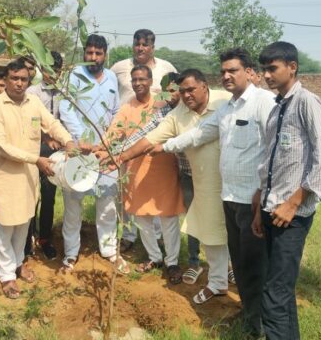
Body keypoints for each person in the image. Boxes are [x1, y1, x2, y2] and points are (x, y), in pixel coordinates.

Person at [157, 48, 274, 337]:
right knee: (234, 253)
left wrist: (266, 190)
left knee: (254, 263)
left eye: (233, 70)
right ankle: (248, 315)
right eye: (223, 71)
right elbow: (198, 134)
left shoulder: (265, 103)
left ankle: (262, 322)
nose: (227, 76)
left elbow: (277, 150)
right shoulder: (228, 108)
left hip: (254, 199)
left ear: (250, 72)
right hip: (229, 196)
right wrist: (161, 146)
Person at [250, 42, 321, 340]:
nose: (267, 75)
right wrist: (261, 205)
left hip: (293, 215)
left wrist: (292, 203)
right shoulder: (277, 109)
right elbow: (269, 162)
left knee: (273, 295)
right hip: (273, 209)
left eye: (273, 68)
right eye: (265, 69)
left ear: (292, 67)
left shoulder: (307, 103)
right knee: (280, 289)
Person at [116, 68, 232, 303]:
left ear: (205, 86)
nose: (186, 95)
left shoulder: (225, 101)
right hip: (202, 181)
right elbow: (151, 136)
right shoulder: (178, 113)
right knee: (210, 230)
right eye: (182, 91)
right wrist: (120, 156)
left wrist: (165, 147)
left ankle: (234, 271)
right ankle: (218, 281)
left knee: (239, 230)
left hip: (236, 179)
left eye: (191, 89)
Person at [99, 73, 204, 284]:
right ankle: (155, 258)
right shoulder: (160, 110)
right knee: (141, 216)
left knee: (168, 217)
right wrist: (110, 151)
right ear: (162, 91)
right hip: (138, 167)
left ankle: (172, 262)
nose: (175, 95)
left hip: (169, 169)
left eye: (180, 90)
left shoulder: (188, 111)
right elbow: (141, 134)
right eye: (171, 90)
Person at [0, 58, 75, 299]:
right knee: (4, 224)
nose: (19, 83)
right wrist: (36, 160)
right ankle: (5, 275)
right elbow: (2, 147)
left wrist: (68, 141)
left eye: (23, 79)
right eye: (14, 78)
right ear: (5, 80)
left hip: (28, 175)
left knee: (23, 222)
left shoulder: (33, 102)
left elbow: (52, 124)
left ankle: (16, 263)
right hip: (4, 174)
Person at [59, 34, 129, 274]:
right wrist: (84, 141)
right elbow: (66, 109)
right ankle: (70, 253)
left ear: (105, 55)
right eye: (89, 53)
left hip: (105, 151)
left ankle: (109, 250)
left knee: (107, 202)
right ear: (84, 53)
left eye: (98, 54)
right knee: (73, 204)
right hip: (80, 151)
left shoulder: (110, 77)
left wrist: (106, 142)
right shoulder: (74, 75)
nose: (93, 58)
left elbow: (116, 110)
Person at [111, 29, 177, 250]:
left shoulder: (166, 68)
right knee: (128, 187)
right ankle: (129, 235)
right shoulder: (119, 67)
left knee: (155, 189)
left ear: (152, 47)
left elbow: (174, 93)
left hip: (154, 134)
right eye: (137, 44)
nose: (140, 48)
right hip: (125, 132)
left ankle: (157, 238)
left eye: (145, 44)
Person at [24, 51, 64, 260]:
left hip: (55, 153)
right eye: (47, 70)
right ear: (42, 69)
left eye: (55, 71)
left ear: (60, 71)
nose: (51, 75)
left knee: (49, 197)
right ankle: (27, 238)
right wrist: (45, 137)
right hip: (33, 150)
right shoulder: (31, 92)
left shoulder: (64, 93)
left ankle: (45, 239)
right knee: (31, 196)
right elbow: (31, 122)